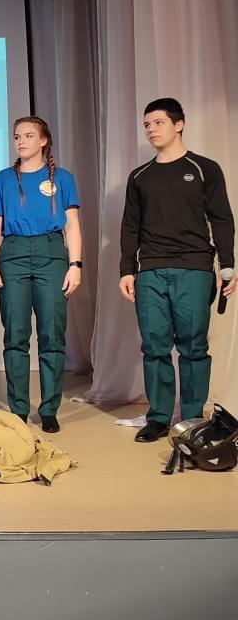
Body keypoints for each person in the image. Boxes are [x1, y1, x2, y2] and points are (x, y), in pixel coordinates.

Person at [119, 97, 235, 442]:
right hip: (150, 270)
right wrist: (127, 270)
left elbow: (222, 218)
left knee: (193, 347)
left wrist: (227, 265)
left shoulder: (204, 168)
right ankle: (158, 419)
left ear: (178, 124)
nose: (151, 129)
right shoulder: (140, 176)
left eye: (158, 122)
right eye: (147, 124)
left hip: (194, 269)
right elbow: (130, 226)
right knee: (154, 347)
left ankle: (194, 419)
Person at [0, 116, 81, 433]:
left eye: (28, 135)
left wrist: (75, 265)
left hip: (51, 254)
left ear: (43, 140)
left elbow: (72, 225)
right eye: (17, 136)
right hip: (12, 254)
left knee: (52, 333)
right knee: (15, 334)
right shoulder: (2, 180)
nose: (21, 141)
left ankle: (49, 408)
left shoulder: (63, 178)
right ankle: (19, 409)